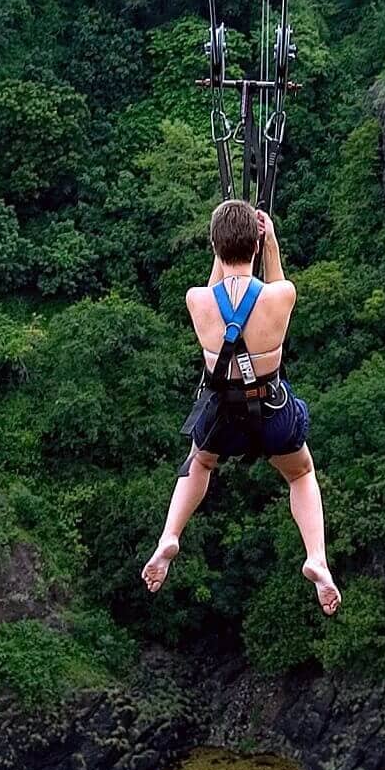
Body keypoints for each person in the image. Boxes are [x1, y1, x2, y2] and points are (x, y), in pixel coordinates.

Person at [141, 200, 340, 615]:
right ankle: (316, 557)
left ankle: (169, 536)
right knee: (300, 473)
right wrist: (271, 245)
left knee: (200, 462)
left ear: (215, 247)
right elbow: (275, 284)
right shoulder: (281, 296)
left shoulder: (197, 300)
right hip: (271, 409)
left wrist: (224, 246)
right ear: (256, 246)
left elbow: (216, 290)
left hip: (222, 416)